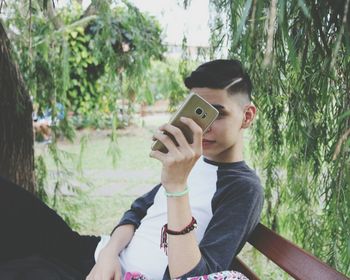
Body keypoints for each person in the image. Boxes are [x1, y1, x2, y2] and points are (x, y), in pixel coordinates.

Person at [0, 59, 263, 280]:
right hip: (101, 255)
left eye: (216, 114)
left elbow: (195, 276)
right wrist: (108, 255)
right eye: (198, 113)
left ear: (247, 116)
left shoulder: (242, 188)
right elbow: (135, 214)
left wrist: (177, 186)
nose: (202, 128)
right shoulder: (191, 160)